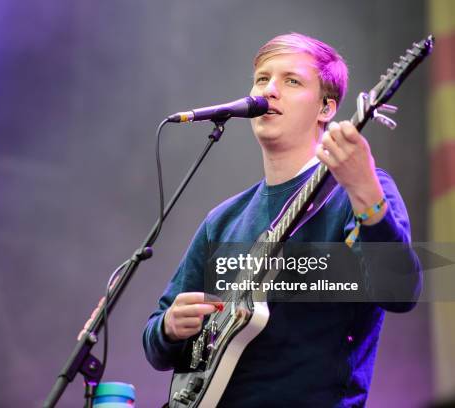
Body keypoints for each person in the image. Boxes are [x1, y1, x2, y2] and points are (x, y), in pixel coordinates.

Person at [142, 33, 422, 407]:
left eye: (291, 81)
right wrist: (169, 328)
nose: (270, 90)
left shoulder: (358, 191)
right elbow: (157, 342)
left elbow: (401, 292)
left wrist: (366, 194)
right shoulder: (223, 220)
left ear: (326, 108)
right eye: (262, 78)